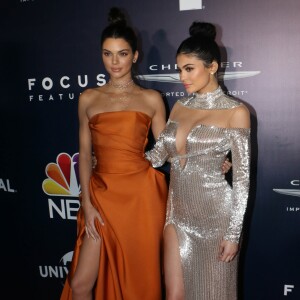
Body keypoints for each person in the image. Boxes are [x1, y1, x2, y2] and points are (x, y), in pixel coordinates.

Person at [60, 7, 168, 300]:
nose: (114, 61)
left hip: (141, 198)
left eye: (122, 53)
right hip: (101, 194)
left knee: (139, 283)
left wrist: (209, 161)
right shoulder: (88, 98)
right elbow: (84, 152)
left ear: (134, 55)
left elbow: (168, 149)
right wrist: (88, 201)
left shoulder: (151, 99)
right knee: (81, 284)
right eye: (107, 53)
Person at [146, 21, 251, 300]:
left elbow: (242, 179)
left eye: (189, 68)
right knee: (175, 295)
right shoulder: (180, 106)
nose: (183, 76)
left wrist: (233, 234)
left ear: (212, 67)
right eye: (180, 69)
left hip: (216, 218)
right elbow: (157, 157)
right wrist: (114, 158)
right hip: (177, 215)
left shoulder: (236, 112)